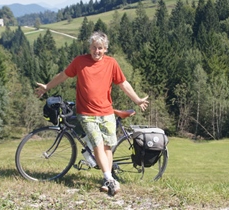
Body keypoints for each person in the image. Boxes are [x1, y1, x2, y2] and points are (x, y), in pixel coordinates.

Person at [35, 31, 148, 196]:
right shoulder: (80, 61)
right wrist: (47, 87)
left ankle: (107, 180)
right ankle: (109, 178)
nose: (97, 51)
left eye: (100, 48)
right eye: (94, 47)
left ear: (105, 49)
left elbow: (123, 83)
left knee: (108, 147)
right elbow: (63, 76)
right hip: (86, 113)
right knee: (97, 144)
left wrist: (137, 100)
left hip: (107, 112)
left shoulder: (111, 63)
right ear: (90, 47)